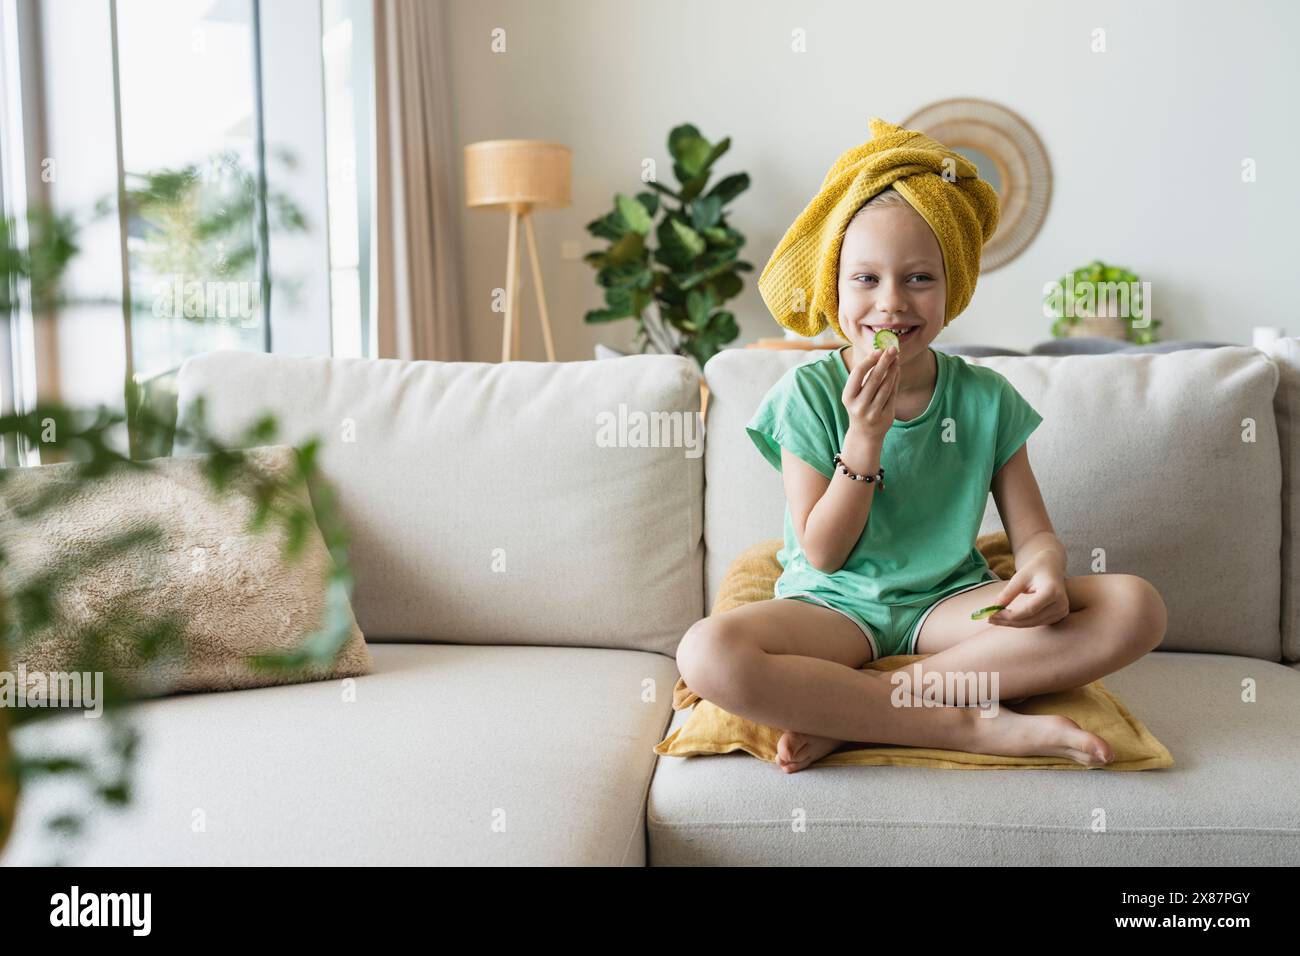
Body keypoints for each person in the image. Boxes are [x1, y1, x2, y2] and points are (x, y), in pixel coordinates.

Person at [675, 119, 1168, 773]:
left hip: (949, 603)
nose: (890, 303)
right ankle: (966, 725)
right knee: (706, 654)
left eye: (918, 279)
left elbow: (1035, 534)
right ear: (835, 288)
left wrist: (1045, 571)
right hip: (831, 607)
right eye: (865, 279)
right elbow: (822, 553)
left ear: (951, 287)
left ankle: (862, 709)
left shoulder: (985, 398)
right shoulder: (806, 394)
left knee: (1134, 606)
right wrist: (865, 438)